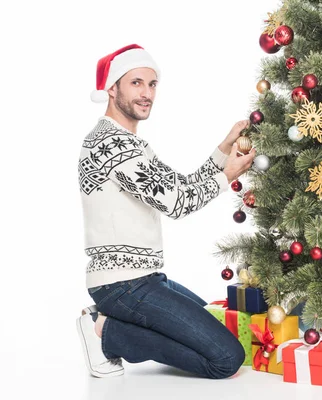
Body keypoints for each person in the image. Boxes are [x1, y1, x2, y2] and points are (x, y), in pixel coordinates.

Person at [76, 44, 256, 378]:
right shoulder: (113, 146)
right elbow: (177, 203)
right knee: (226, 359)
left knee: (208, 318)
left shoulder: (126, 143)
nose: (146, 93)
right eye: (136, 83)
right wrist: (227, 174)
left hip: (143, 279)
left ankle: (109, 321)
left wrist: (223, 149)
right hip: (123, 286)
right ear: (112, 88)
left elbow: (180, 186)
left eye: (152, 84)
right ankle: (105, 332)